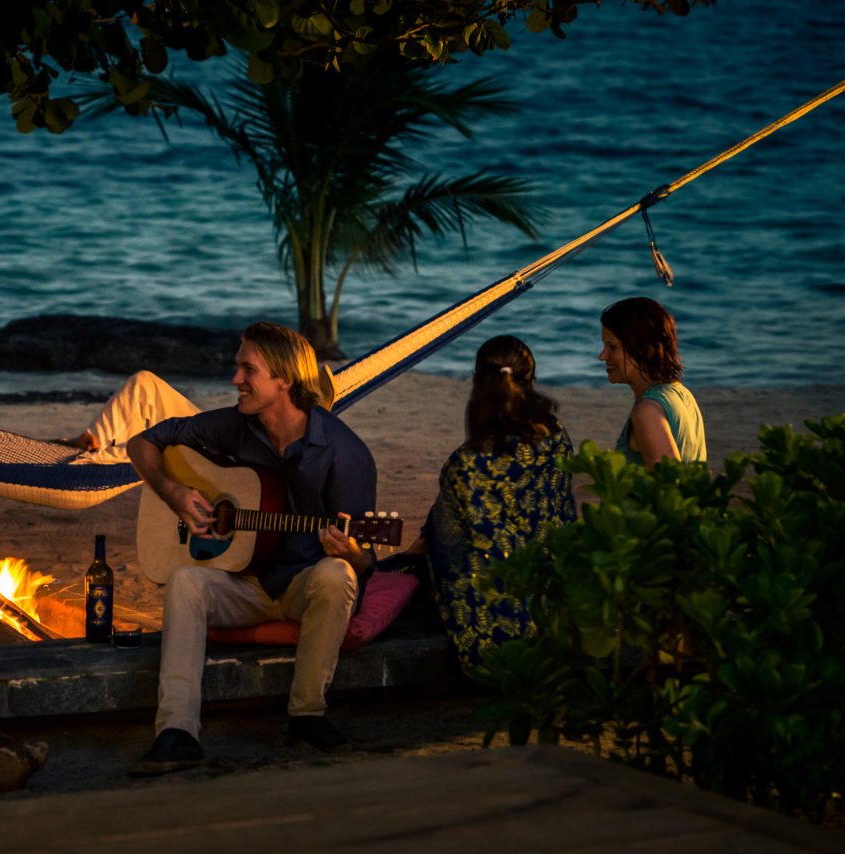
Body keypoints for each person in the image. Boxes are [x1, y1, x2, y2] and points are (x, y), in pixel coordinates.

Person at [126, 322, 377, 775]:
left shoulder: (345, 454)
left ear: (284, 379)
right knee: (184, 581)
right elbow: (142, 442)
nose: (234, 379)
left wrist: (353, 552)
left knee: (338, 574)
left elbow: (368, 564)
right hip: (243, 583)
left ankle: (306, 716)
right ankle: (177, 732)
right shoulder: (235, 427)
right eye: (237, 368)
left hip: (303, 586)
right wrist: (173, 493)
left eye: (248, 369)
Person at [409, 336, 577, 669]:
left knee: (415, 561)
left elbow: (447, 551)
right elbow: (560, 513)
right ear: (530, 380)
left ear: (477, 382)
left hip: (487, 632)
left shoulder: (465, 463)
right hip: (554, 612)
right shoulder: (557, 439)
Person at [0, 370, 200, 466]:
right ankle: (215, 432)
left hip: (74, 449)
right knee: (158, 435)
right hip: (76, 468)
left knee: (144, 387)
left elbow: (17, 447)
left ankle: (208, 430)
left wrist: (66, 442)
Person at [599, 296, 707, 466]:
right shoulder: (682, 395)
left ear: (647, 350)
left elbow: (669, 485)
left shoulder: (647, 411)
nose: (602, 356)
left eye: (613, 347)